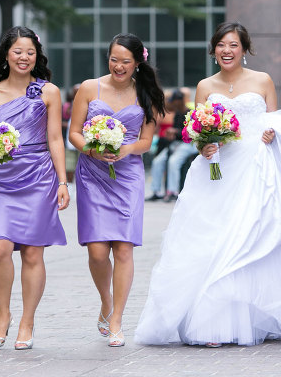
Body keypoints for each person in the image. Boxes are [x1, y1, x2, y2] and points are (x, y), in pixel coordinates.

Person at [135, 21, 281, 347]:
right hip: (217, 168)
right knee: (213, 237)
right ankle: (211, 323)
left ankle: (266, 317)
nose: (227, 50)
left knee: (260, 234)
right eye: (221, 45)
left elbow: (277, 122)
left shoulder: (262, 81)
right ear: (213, 50)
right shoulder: (205, 86)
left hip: (258, 164)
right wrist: (203, 145)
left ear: (244, 49)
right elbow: (198, 130)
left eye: (233, 45)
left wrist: (272, 134)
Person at [69, 33, 165, 348]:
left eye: (125, 61)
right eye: (114, 59)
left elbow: (146, 141)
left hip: (127, 175)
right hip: (92, 173)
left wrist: (127, 150)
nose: (118, 66)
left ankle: (117, 320)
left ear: (138, 62)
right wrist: (92, 150)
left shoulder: (147, 94)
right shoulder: (89, 88)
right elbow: (73, 133)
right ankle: (105, 301)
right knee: (97, 251)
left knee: (123, 248)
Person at [0, 26, 69, 350]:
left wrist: (62, 181)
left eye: (30, 52)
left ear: (37, 56)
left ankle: (27, 321)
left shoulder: (49, 92)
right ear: (6, 54)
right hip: (3, 179)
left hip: (40, 176)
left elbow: (55, 138)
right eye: (18, 51)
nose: (24, 57)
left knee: (33, 251)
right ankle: (4, 314)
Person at [147, 90, 198, 202]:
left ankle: (173, 192)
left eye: (174, 101)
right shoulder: (177, 113)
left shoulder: (190, 113)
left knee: (173, 161)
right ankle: (156, 191)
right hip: (176, 144)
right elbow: (176, 133)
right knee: (157, 161)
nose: (172, 104)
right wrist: (171, 134)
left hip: (188, 145)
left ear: (179, 101)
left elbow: (191, 134)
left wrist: (175, 132)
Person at [62, 84, 81, 184]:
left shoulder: (88, 104)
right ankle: (70, 186)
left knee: (80, 165)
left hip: (82, 140)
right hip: (68, 141)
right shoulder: (67, 106)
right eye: (75, 91)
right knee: (69, 164)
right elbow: (60, 121)